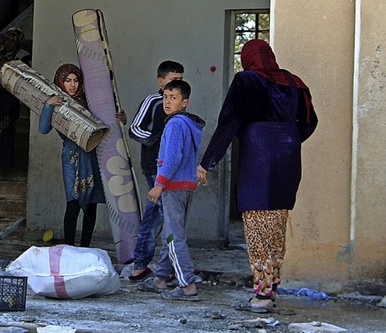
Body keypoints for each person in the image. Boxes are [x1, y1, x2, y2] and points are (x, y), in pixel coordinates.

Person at [197, 39, 318, 313]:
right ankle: (271, 288)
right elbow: (311, 122)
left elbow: (229, 122)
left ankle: (261, 297)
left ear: (248, 58)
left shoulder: (246, 80)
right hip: (289, 157)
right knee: (276, 227)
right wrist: (288, 138)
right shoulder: (294, 82)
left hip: (258, 156)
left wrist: (208, 162)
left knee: (257, 227)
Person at [136, 80, 205, 302]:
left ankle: (188, 286)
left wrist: (159, 184)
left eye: (173, 97)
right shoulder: (188, 124)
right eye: (165, 96)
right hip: (186, 186)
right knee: (171, 232)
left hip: (173, 187)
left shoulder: (175, 124)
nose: (167, 101)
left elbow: (173, 157)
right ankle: (159, 279)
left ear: (184, 102)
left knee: (174, 238)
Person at [128, 60, 184, 281]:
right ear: (161, 81)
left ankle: (158, 265)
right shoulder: (153, 101)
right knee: (156, 214)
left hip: (172, 169)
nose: (177, 84)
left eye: (180, 80)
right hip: (154, 166)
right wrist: (156, 141)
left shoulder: (180, 104)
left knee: (164, 215)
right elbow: (135, 129)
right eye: (173, 80)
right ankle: (142, 263)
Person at [38, 63, 106, 247]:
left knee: (91, 204)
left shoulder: (89, 101)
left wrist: (119, 118)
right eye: (67, 80)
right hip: (72, 157)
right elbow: (43, 129)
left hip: (91, 154)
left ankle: (85, 247)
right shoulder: (57, 103)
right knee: (73, 202)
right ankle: (69, 247)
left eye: (76, 80)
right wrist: (48, 105)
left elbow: (105, 123)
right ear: (60, 81)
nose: (72, 85)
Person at [0, 27, 26, 181]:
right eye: (7, 39)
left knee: (6, 136)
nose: (9, 43)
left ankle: (3, 168)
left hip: (9, 102)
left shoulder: (20, 59)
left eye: (13, 40)